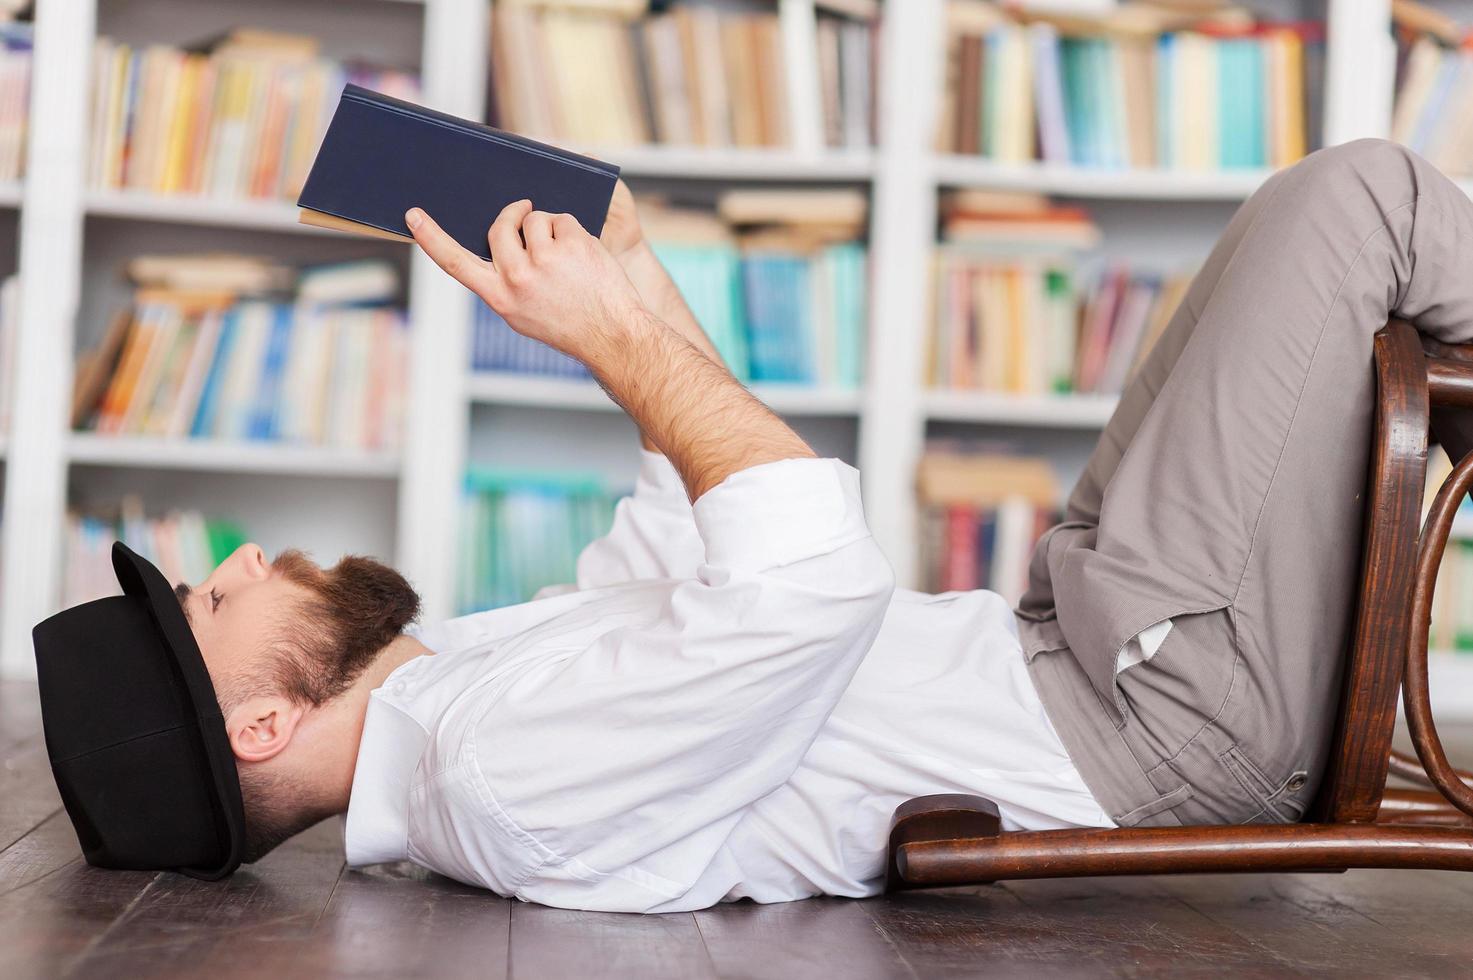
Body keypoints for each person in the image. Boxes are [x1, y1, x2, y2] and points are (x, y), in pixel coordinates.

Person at [32, 138, 1473, 912]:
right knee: (1361, 203)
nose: (232, 563)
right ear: (264, 730)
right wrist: (617, 350)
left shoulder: (462, 692)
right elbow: (811, 574)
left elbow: (691, 522)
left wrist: (637, 294)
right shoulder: (501, 779)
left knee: (1273, 257)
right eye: (215, 605)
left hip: (1076, 649)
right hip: (1149, 721)